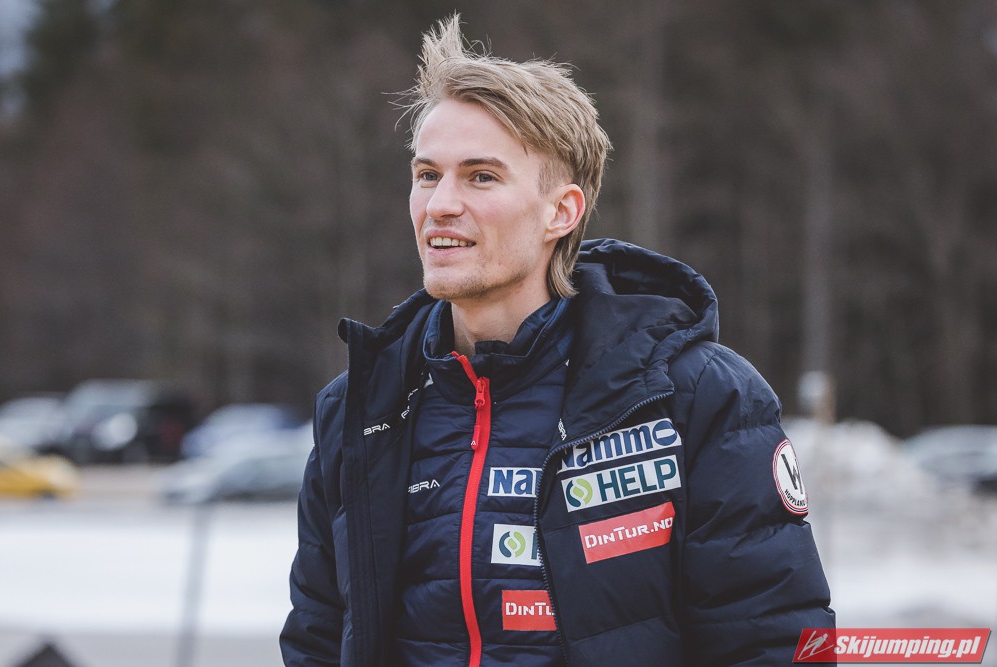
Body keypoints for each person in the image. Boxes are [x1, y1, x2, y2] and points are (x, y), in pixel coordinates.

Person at [281, 14, 834, 667]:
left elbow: (776, 644)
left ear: (561, 212)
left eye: (481, 176)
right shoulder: (361, 409)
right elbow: (318, 640)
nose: (440, 204)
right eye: (427, 174)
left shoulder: (697, 397)